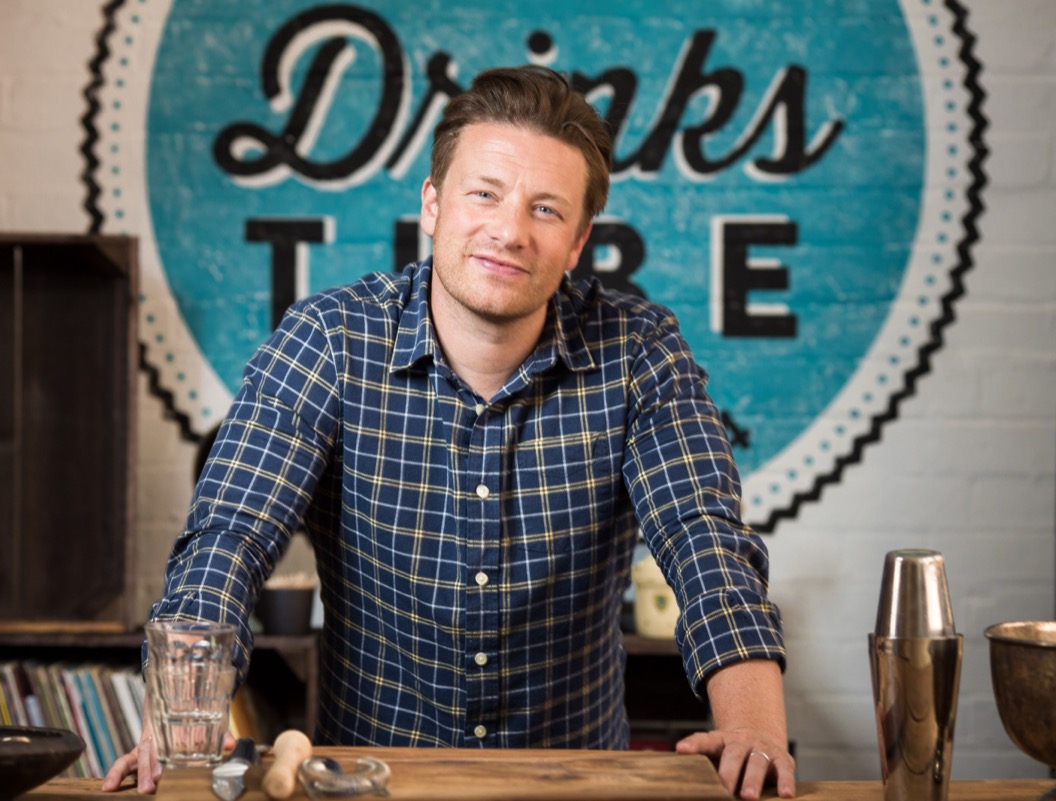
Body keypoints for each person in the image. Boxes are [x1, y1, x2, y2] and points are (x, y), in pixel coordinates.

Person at [104, 64, 794, 800]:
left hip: (575, 785)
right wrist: (183, 715)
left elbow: (704, 538)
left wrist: (754, 724)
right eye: (485, 194)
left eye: (546, 210)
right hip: (367, 785)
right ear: (432, 204)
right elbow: (229, 534)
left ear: (578, 241)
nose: (510, 230)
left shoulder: (639, 352)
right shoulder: (329, 341)